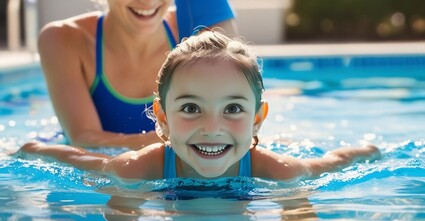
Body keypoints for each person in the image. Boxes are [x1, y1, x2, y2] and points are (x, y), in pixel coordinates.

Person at [19, 30, 382, 180]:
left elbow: (300, 220)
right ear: (162, 116)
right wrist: (34, 152)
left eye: (233, 109)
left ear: (258, 119)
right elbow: (122, 219)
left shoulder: (278, 171)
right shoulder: (137, 169)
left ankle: (363, 149)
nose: (212, 127)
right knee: (94, 164)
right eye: (191, 109)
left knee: (321, 165)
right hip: (122, 160)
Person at [38, 0, 237, 150]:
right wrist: (178, 140)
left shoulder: (196, 31)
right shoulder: (63, 39)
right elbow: (84, 139)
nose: (148, 1)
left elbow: (235, 115)